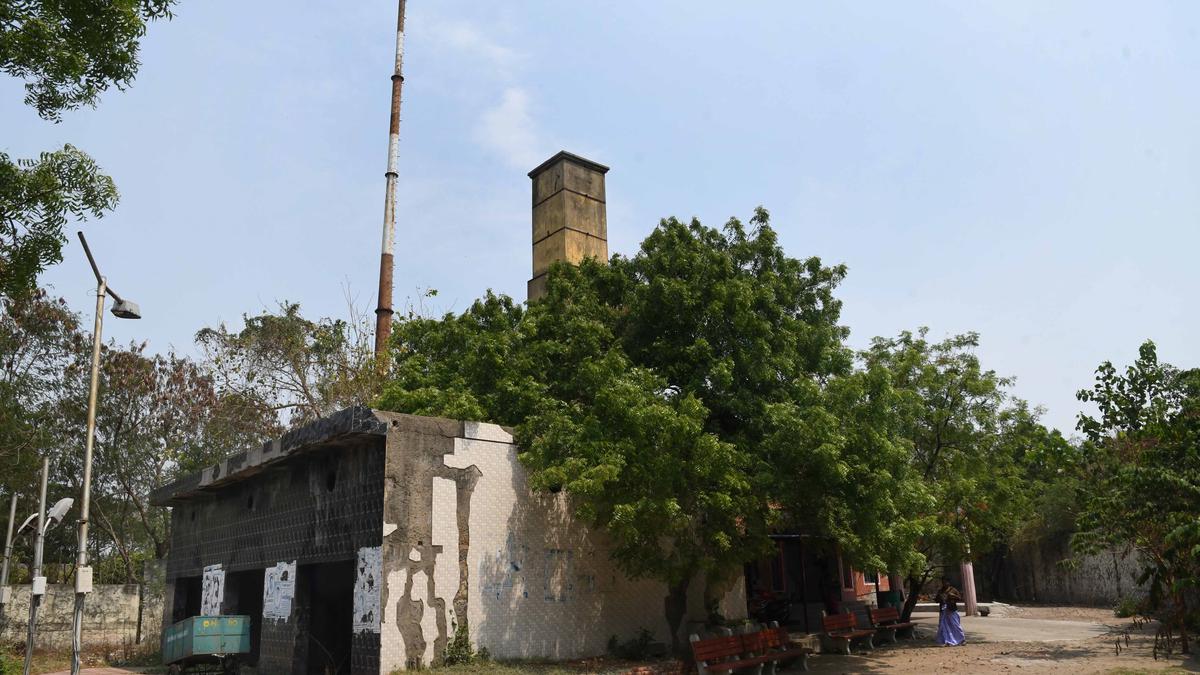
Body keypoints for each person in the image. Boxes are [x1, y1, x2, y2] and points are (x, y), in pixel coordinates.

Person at [935, 577, 965, 646]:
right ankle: (947, 640)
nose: (944, 583)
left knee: (955, 625)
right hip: (943, 610)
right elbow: (936, 600)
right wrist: (939, 598)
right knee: (943, 626)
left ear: (949, 582)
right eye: (943, 582)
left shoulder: (953, 590)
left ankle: (961, 640)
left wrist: (953, 595)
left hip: (951, 610)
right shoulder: (940, 591)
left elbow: (960, 598)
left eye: (945, 582)